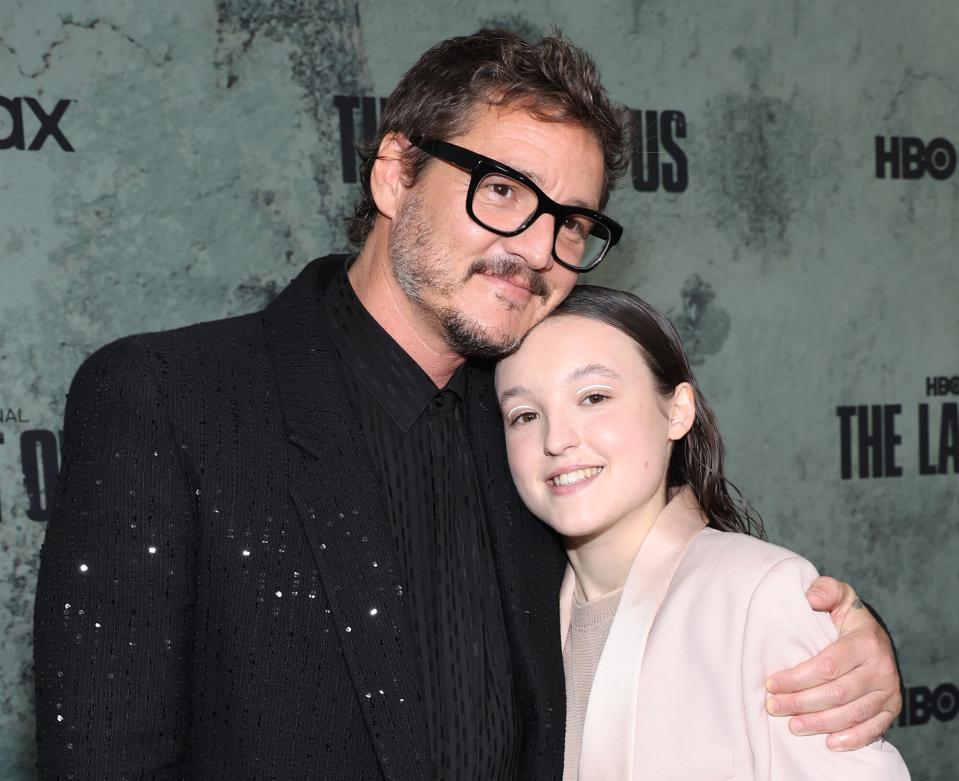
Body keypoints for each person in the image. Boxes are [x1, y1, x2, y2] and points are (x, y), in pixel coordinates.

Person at [34, 29, 901, 780]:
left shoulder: (539, 431)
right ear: (394, 173)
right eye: (501, 189)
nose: (536, 247)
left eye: (570, 220)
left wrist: (848, 645)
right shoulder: (170, 400)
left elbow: (683, 598)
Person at [495, 285, 910, 780]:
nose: (557, 438)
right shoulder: (515, 615)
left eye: (594, 397)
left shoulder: (759, 593)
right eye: (524, 415)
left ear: (677, 411)